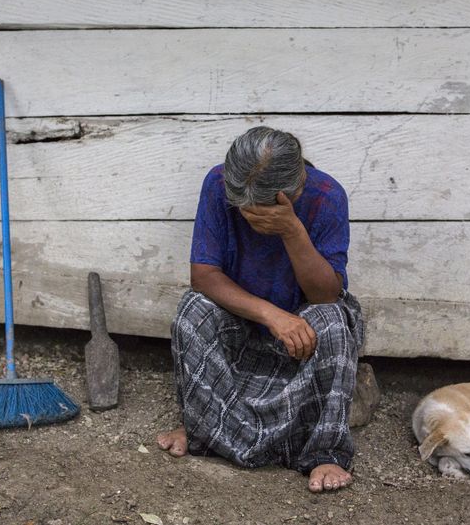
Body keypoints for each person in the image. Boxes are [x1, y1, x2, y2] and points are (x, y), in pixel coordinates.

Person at [156, 126, 365, 492]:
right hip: (245, 320)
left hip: (302, 330)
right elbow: (203, 276)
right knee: (193, 311)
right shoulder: (217, 183)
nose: (250, 215)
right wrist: (271, 314)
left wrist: (292, 231)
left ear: (295, 189)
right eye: (244, 206)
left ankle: (325, 452)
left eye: (261, 208)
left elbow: (326, 295)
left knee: (334, 320)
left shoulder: (326, 196)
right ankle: (205, 431)